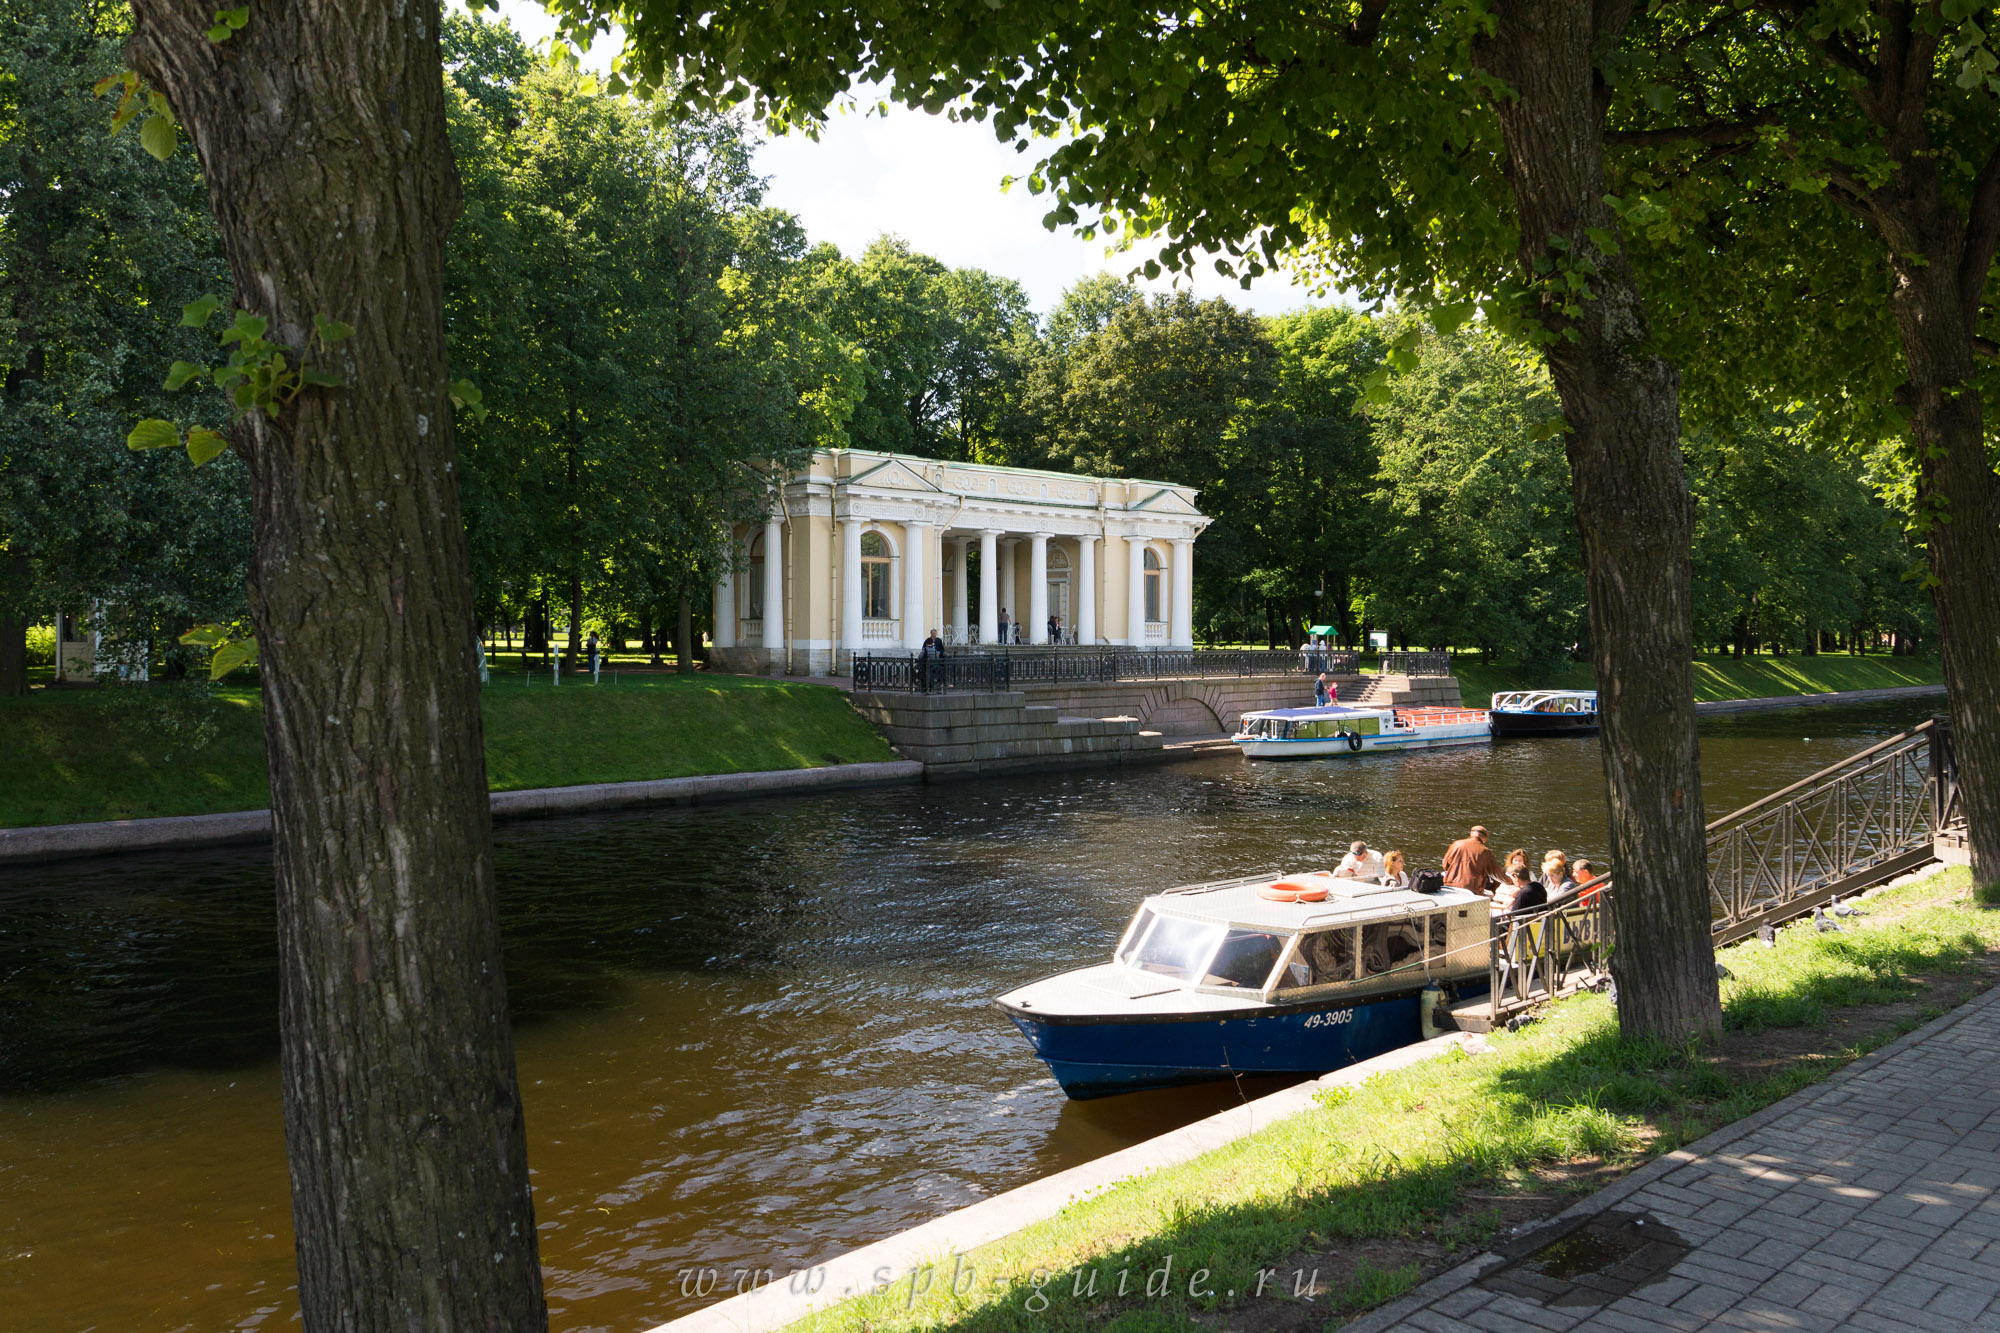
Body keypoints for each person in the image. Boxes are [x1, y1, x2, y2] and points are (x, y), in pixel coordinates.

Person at [1442, 825, 1500, 897]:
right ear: (1484, 838)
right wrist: (1510, 881)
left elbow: (1445, 865)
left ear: (1471, 834)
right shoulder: (1486, 851)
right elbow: (1496, 873)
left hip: (1450, 885)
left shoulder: (1456, 844)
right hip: (1472, 890)